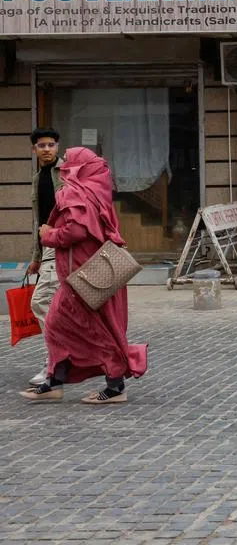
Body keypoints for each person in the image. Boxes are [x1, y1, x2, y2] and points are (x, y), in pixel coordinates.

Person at [20, 147, 148, 404]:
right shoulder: (98, 192)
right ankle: (55, 381)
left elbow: (75, 232)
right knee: (67, 326)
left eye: (69, 161)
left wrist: (48, 235)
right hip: (97, 273)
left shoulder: (74, 193)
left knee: (89, 330)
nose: (65, 165)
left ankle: (113, 387)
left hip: (82, 276)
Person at [26, 128, 64, 387]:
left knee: (41, 302)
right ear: (34, 150)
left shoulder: (69, 173)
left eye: (51, 144)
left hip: (65, 242)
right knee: (56, 306)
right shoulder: (37, 178)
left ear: (58, 147)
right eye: (42, 145)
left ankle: (56, 361)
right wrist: (36, 256)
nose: (47, 149)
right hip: (49, 247)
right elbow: (39, 220)